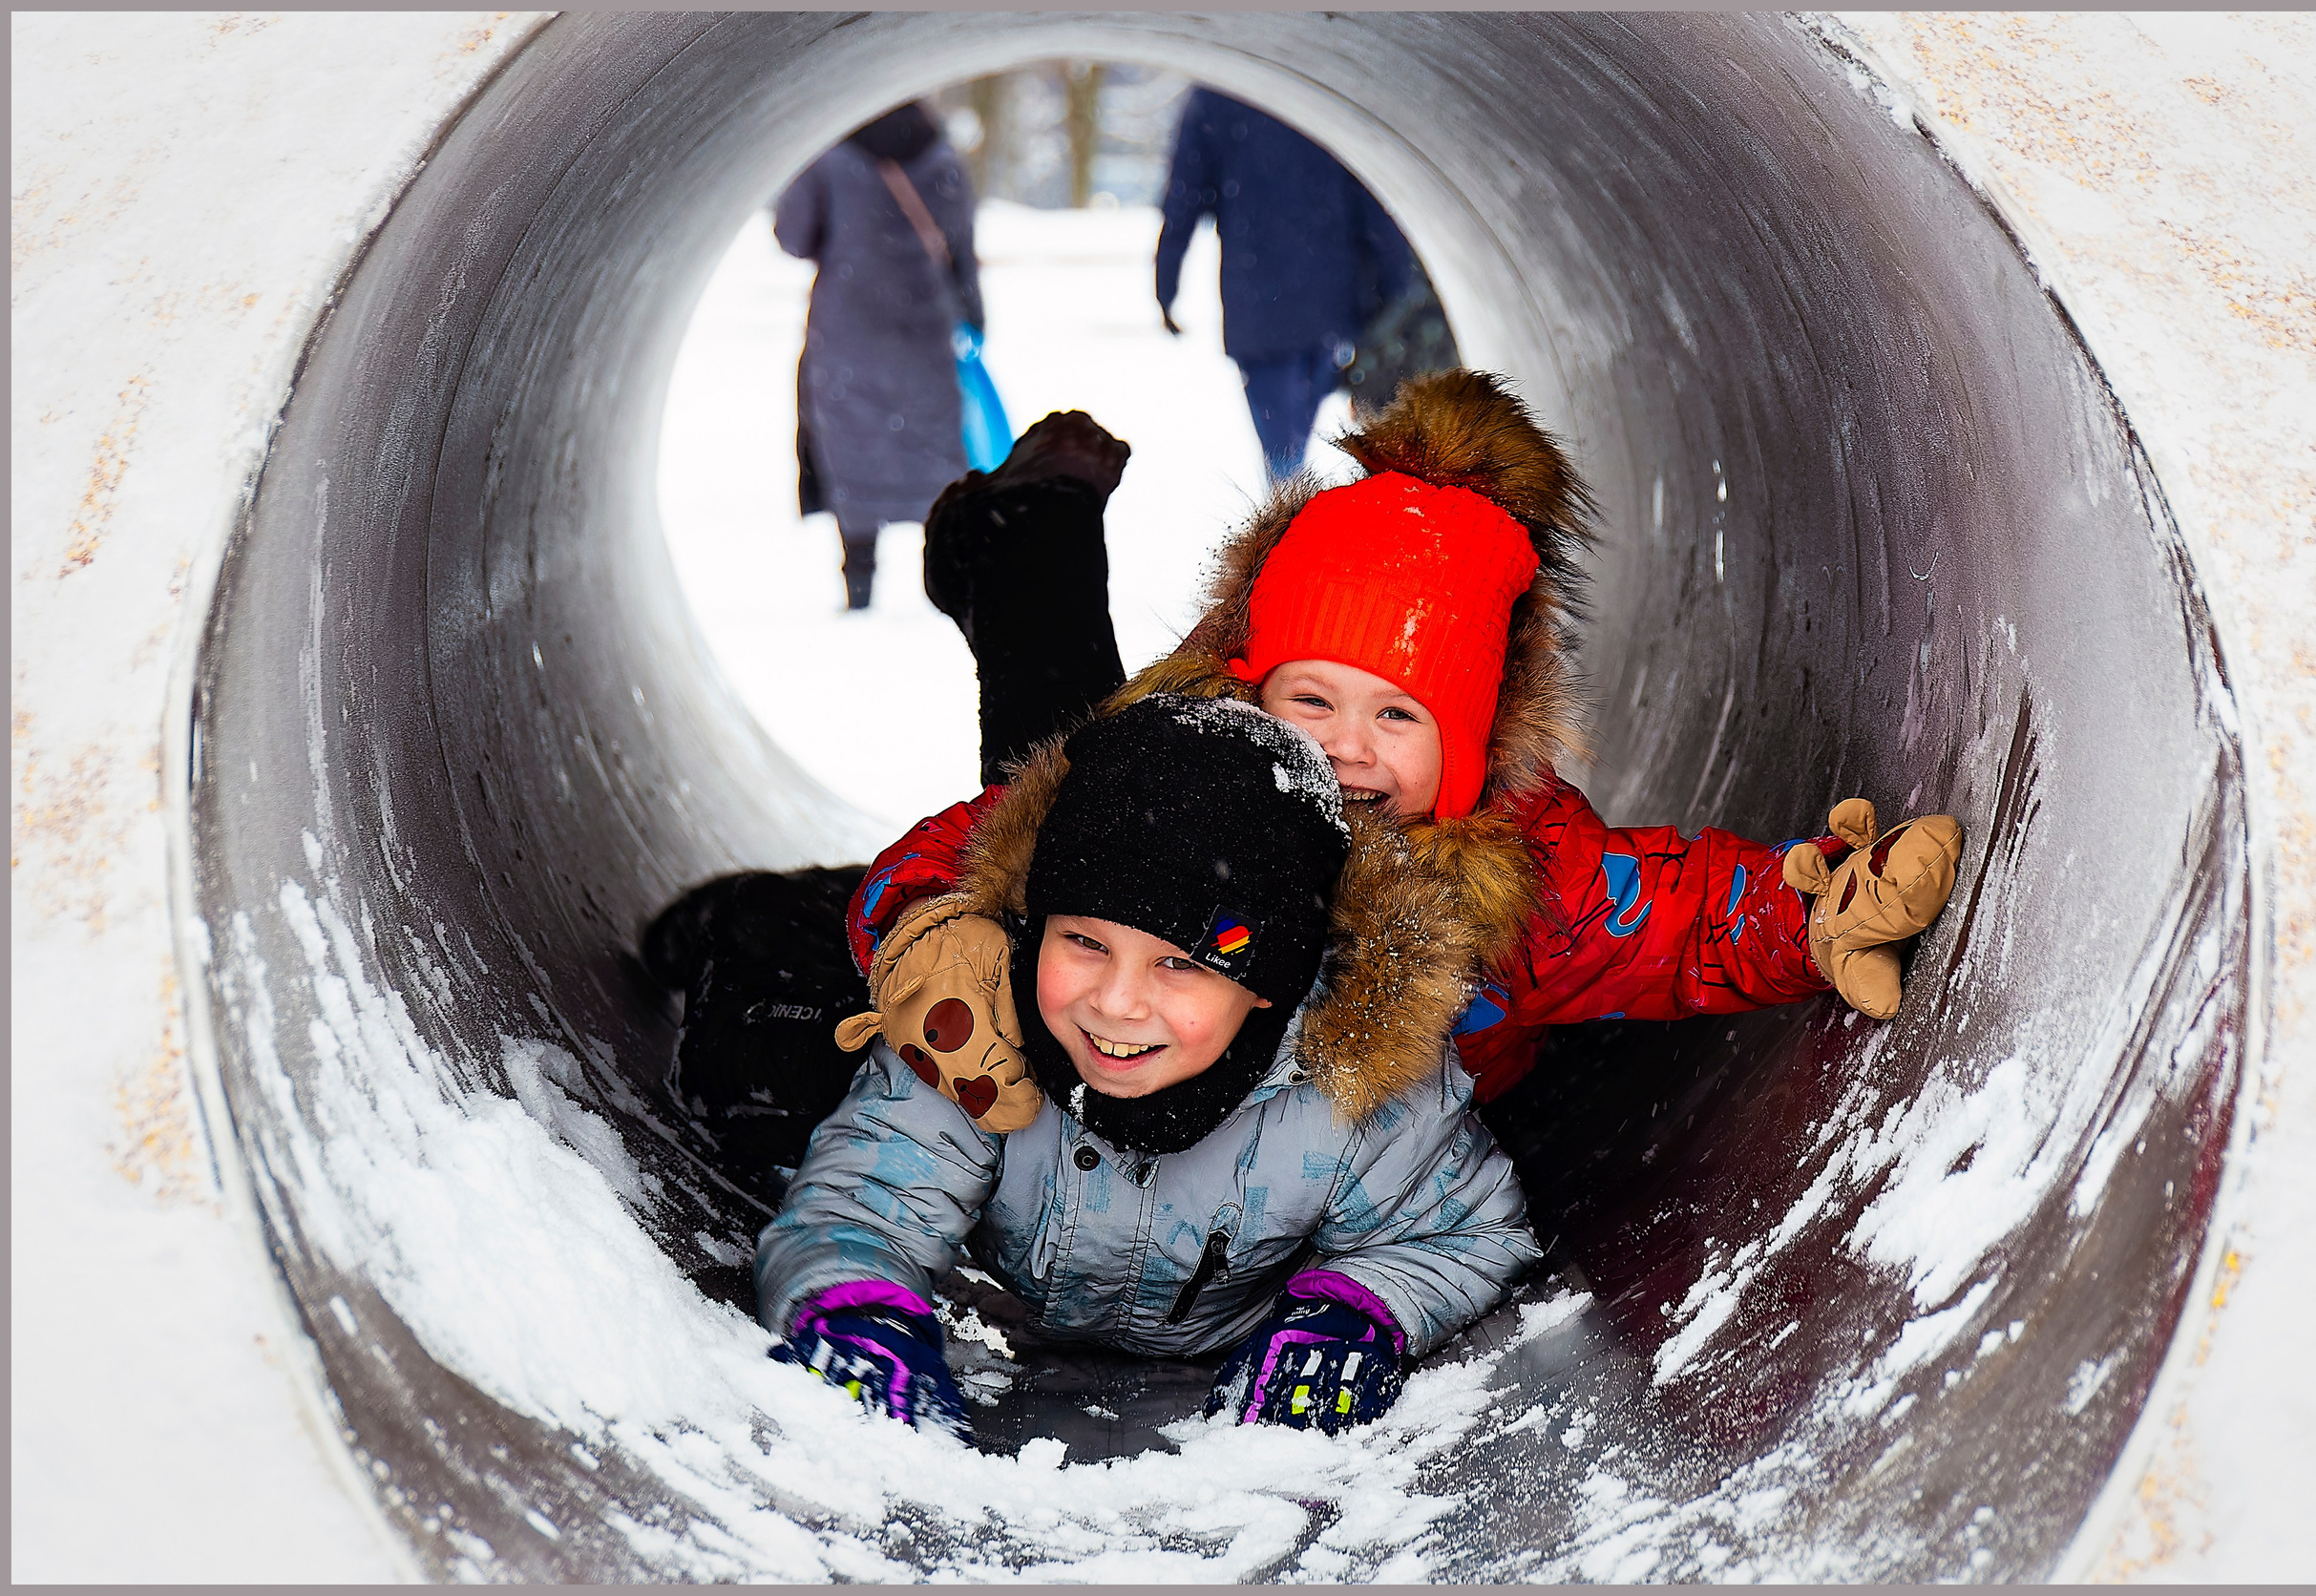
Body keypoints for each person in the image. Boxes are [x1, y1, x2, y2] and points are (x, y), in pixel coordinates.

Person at [853, 370, 1965, 1113]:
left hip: (1331, 1180)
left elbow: (1672, 915)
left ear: (1471, 741)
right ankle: (1022, 539)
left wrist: (1808, 911)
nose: (1348, 749)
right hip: (1142, 1008)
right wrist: (928, 930)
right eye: (1313, 707)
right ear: (1255, 696)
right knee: (1066, 767)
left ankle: (1024, 544)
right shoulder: (1178, 774)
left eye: (1398, 716)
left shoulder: (1513, 876)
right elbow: (966, 848)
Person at [755, 693, 1539, 1441]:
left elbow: (1462, 1232)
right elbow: (865, 1200)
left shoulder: (1351, 1085)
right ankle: (749, 923)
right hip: (848, 1063)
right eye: (1085, 943)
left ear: (1271, 983)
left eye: (1181, 964)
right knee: (770, 1058)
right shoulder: (979, 1036)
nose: (1119, 1003)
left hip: (1220, 1331)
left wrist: (1349, 1315)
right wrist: (859, 1310)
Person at [775, 101, 983, 609]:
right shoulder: (942, 159)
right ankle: (945, 584)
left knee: (854, 447)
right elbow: (961, 250)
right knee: (932, 452)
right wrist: (974, 321)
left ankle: (860, 580)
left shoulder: (830, 157)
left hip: (847, 334)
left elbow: (792, 237)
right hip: (924, 335)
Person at [1154, 88, 1417, 480]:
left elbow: (1183, 201)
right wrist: (1397, 284)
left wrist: (1166, 287)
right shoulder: (1323, 91)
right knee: (1294, 435)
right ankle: (1293, 511)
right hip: (1329, 302)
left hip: (1258, 305)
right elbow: (1370, 195)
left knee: (1282, 446)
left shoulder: (1217, 96)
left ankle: (1287, 517)